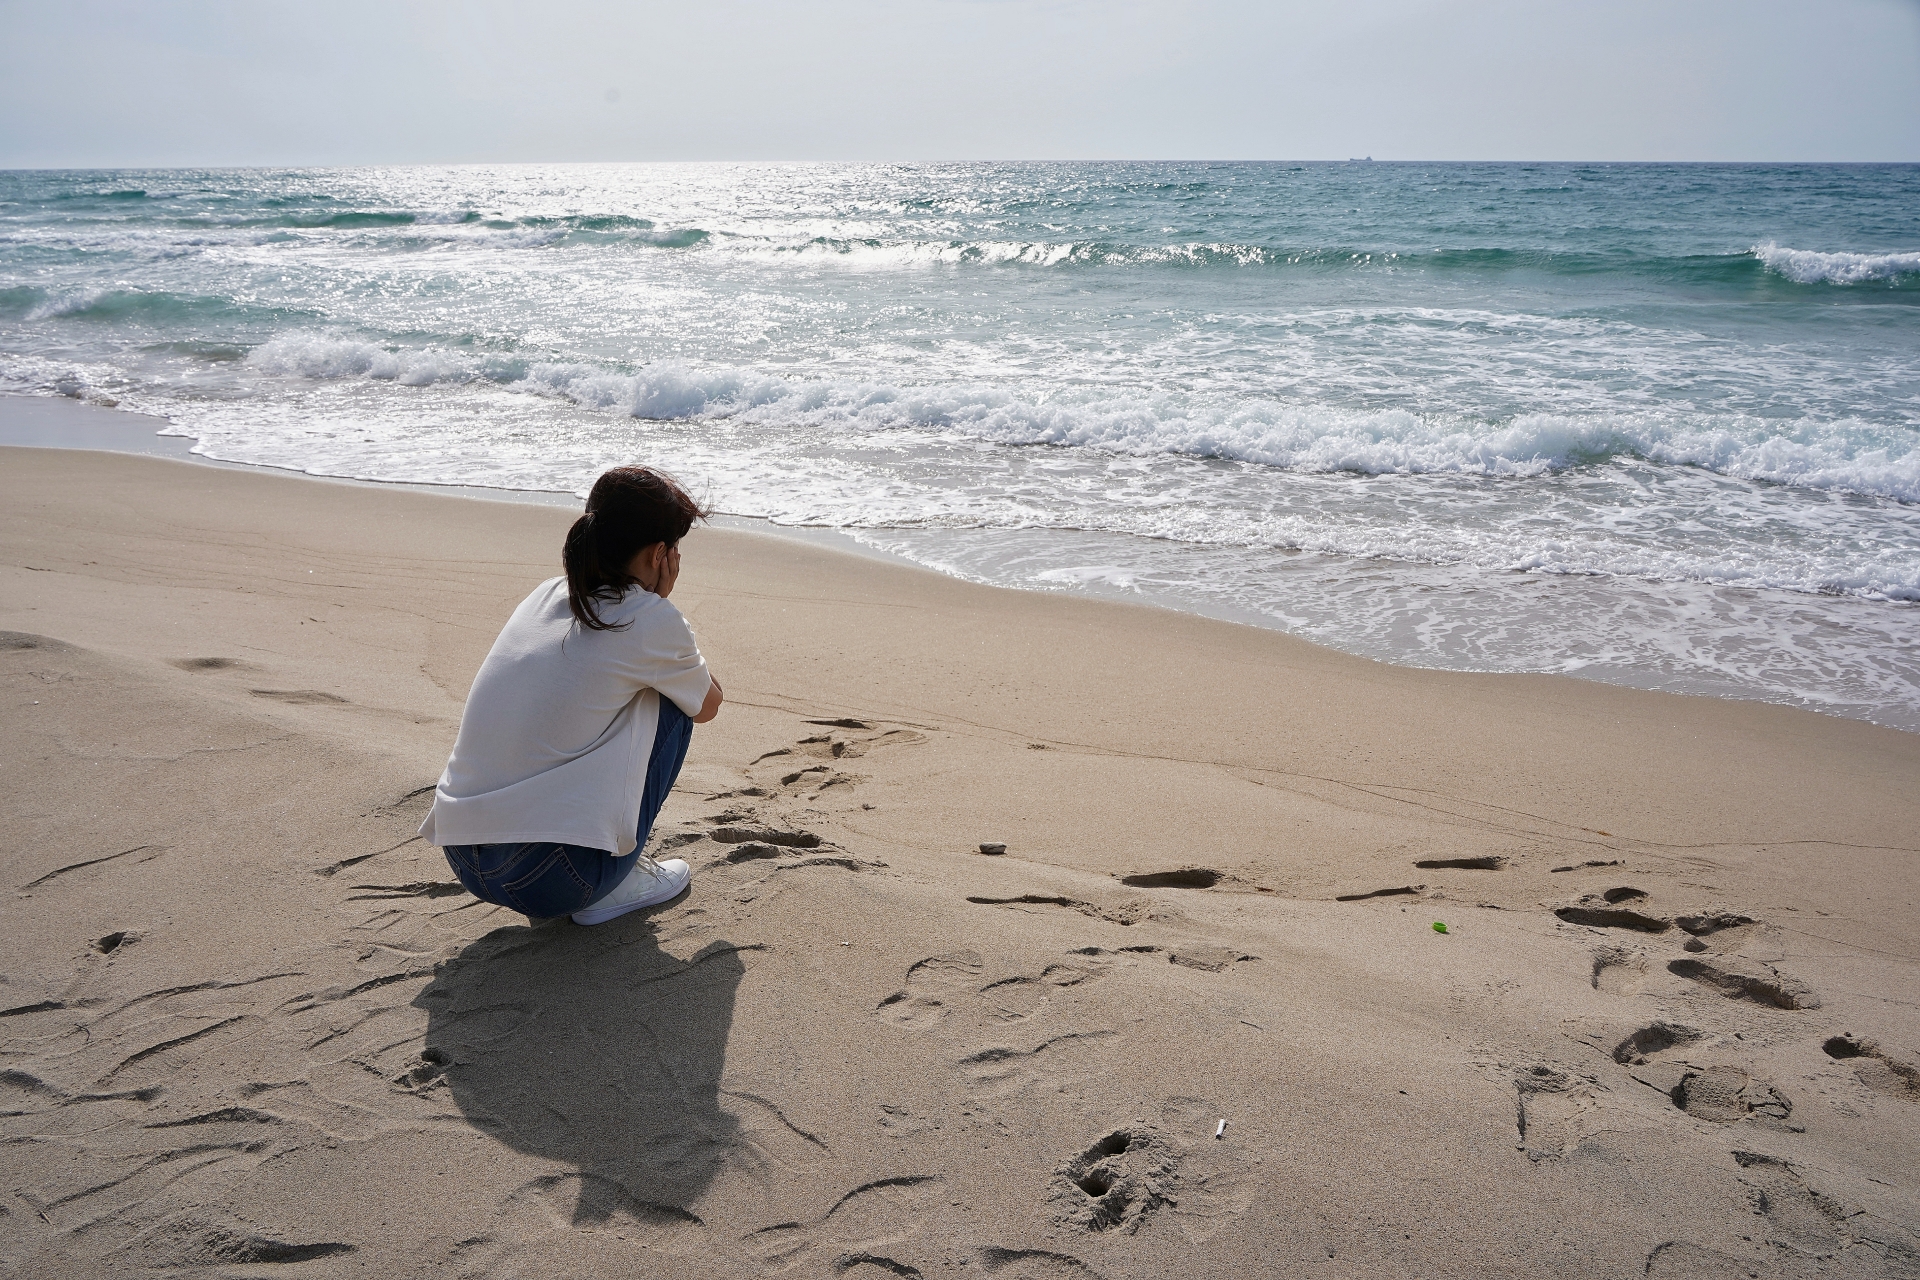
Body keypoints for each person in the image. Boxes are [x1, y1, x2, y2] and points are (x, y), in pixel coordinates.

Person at [420, 465, 723, 926]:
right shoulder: (646, 617)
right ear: (659, 553)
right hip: (551, 879)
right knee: (671, 703)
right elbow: (708, 705)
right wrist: (660, 604)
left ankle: (595, 860)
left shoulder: (545, 594)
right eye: (675, 547)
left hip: (462, 855)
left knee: (621, 691)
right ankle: (613, 884)